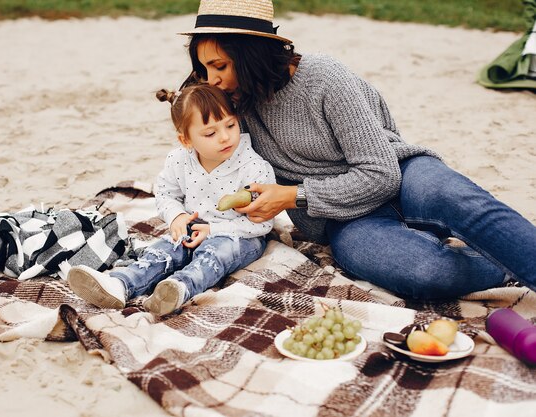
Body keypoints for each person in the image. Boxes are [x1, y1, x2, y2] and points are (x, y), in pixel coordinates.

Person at [177, 0, 536, 299]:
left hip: (402, 175)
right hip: (346, 220)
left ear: (251, 54)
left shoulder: (325, 78)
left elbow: (381, 174)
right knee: (427, 273)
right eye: (204, 68)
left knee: (457, 198)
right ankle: (503, 264)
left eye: (219, 66)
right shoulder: (232, 105)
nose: (212, 80)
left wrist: (291, 196)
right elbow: (197, 147)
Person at [68, 83, 276, 314]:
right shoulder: (179, 160)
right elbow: (166, 194)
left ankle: (178, 289)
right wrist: (177, 216)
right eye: (210, 133)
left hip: (239, 236)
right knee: (163, 250)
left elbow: (262, 223)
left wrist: (213, 231)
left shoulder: (254, 167)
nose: (225, 137)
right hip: (193, 228)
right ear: (186, 140)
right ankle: (120, 284)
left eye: (231, 124)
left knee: (214, 255)